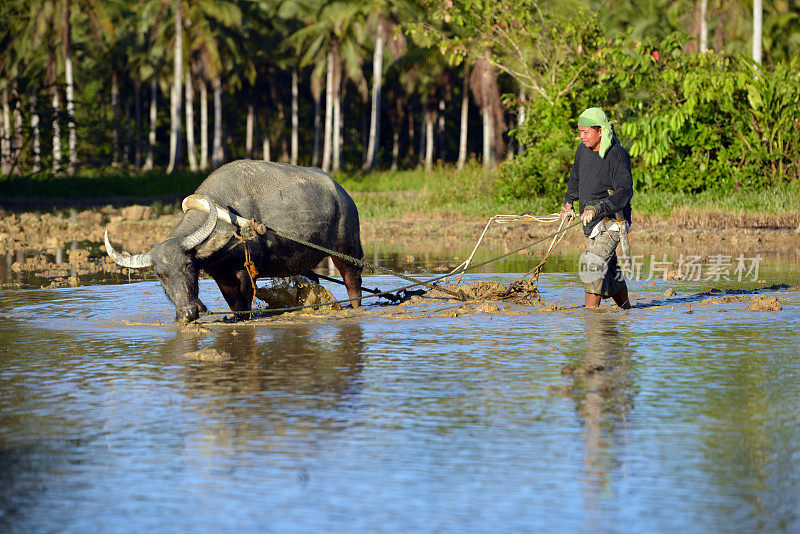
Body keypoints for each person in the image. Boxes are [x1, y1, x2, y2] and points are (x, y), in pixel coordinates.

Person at [560, 107, 632, 309]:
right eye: (580, 131)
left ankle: (590, 321)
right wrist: (568, 203)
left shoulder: (617, 155)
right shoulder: (582, 150)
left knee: (593, 267)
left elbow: (625, 192)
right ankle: (627, 312)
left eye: (586, 132)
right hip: (589, 222)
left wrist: (599, 208)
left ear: (600, 130)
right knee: (610, 273)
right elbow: (575, 177)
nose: (582, 136)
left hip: (611, 223)